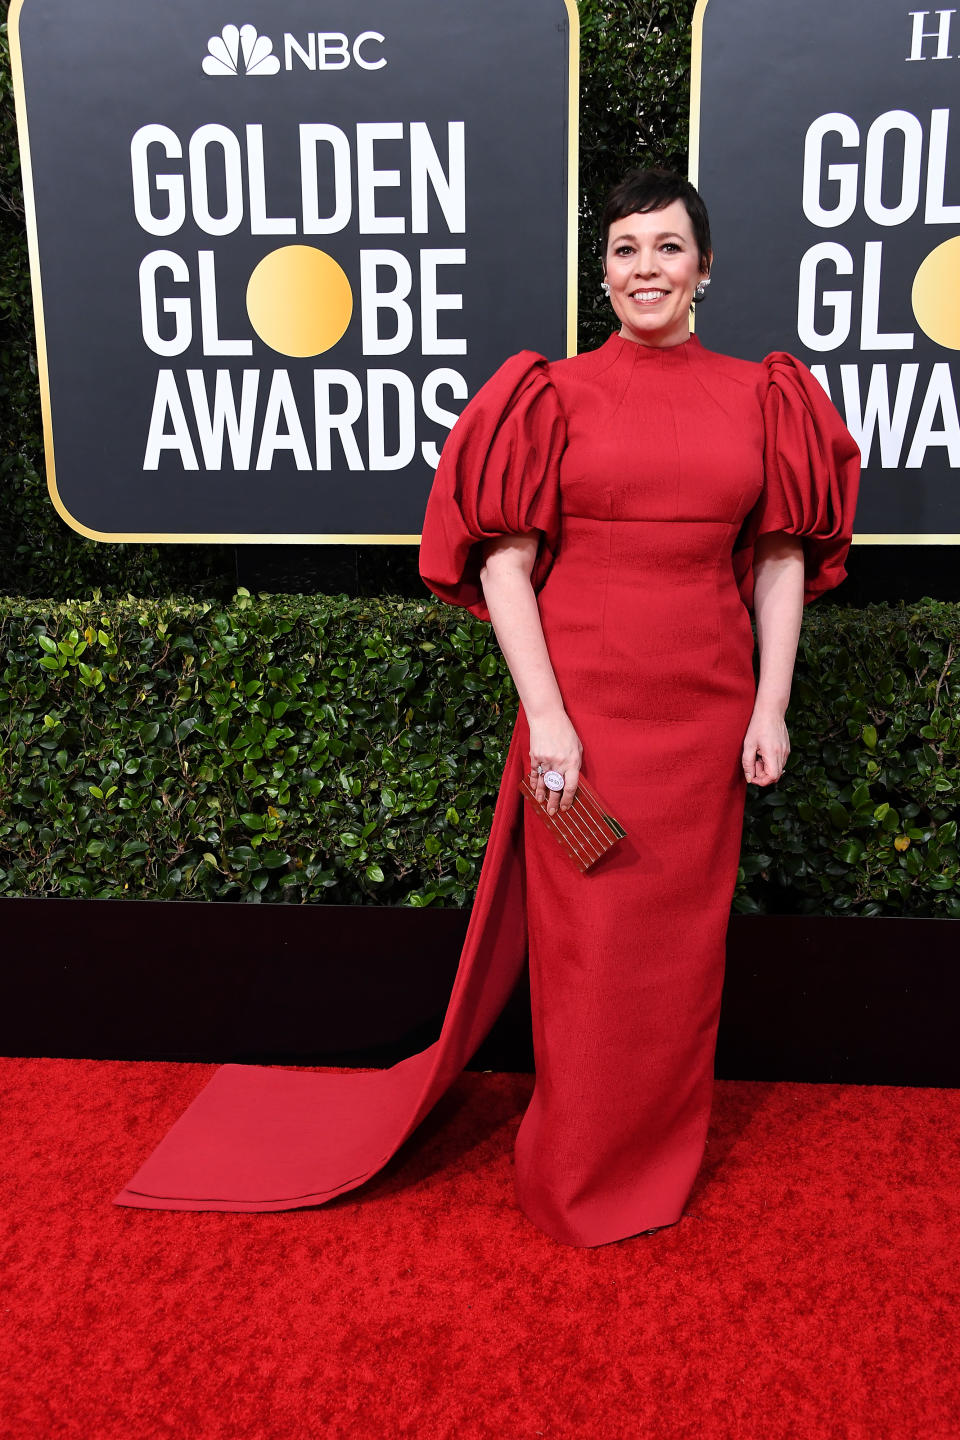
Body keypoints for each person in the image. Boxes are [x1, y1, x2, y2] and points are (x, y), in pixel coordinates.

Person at [115, 168, 859, 1247]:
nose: (644, 268)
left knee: (677, 958)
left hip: (704, 718)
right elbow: (507, 568)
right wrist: (548, 718)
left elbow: (781, 561)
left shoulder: (767, 395)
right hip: (586, 716)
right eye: (623, 249)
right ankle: (576, 1170)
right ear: (601, 273)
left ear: (706, 267)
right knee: (590, 955)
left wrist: (772, 706)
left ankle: (654, 1158)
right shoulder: (550, 394)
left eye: (665, 247)